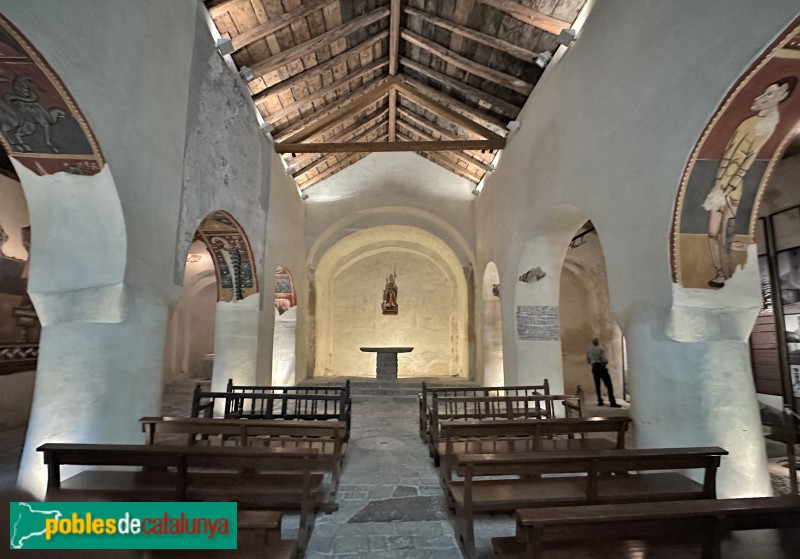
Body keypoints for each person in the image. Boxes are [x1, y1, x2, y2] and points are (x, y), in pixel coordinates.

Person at [704, 76, 797, 288]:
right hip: (722, 182)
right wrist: (718, 183)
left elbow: (747, 160)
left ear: (782, 95)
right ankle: (720, 271)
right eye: (765, 93)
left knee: (724, 232)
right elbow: (729, 153)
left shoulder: (767, 125)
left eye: (771, 94)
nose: (763, 97)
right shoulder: (750, 122)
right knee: (712, 233)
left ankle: (725, 274)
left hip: (732, 186)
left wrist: (726, 187)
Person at [586, 337, 621, 407]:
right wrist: (603, 364)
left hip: (594, 368)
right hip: (601, 367)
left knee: (597, 385)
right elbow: (605, 360)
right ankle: (612, 402)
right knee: (609, 385)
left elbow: (588, 361)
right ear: (598, 342)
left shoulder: (589, 351)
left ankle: (600, 401)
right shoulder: (600, 349)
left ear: (592, 343)